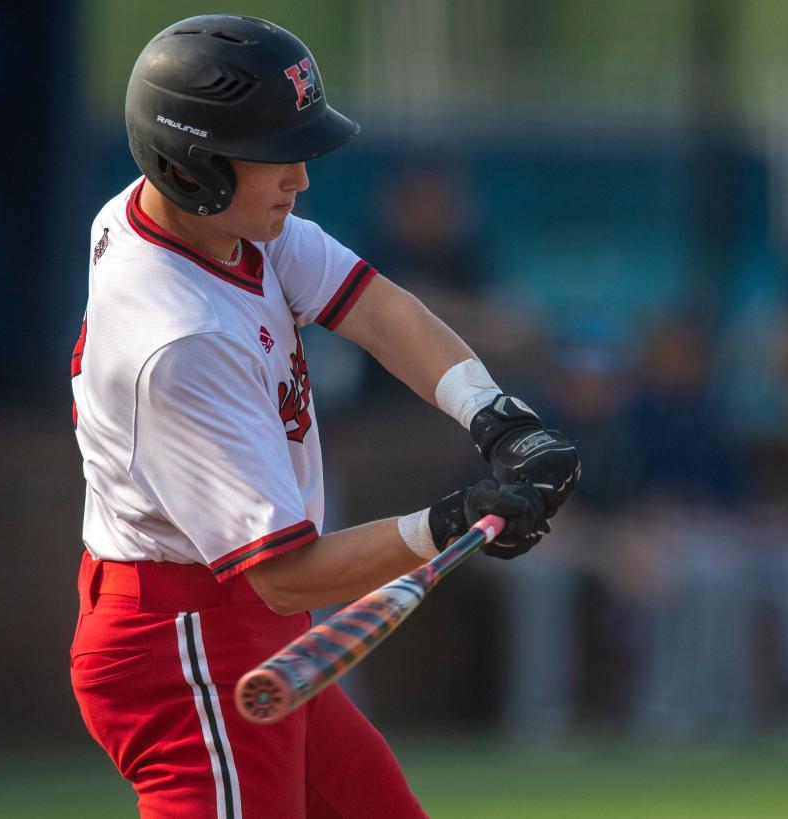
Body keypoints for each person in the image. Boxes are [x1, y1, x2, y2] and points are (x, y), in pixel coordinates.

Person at [68, 15, 580, 818]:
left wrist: (500, 421)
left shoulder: (211, 222)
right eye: (274, 154)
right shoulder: (180, 340)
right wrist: (447, 523)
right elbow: (281, 575)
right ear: (193, 163)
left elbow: (377, 311)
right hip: (186, 645)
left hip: (235, 619)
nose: (299, 177)